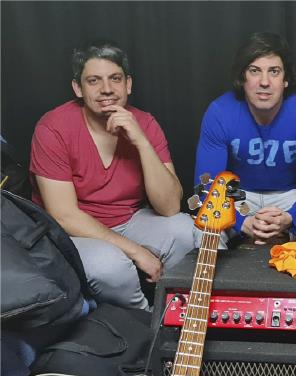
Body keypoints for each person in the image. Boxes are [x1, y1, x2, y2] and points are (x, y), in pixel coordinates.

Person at [29, 41, 196, 310]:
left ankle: (175, 312)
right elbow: (64, 215)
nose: (106, 89)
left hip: (128, 220)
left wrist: (141, 142)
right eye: (94, 80)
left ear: (128, 84)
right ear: (78, 89)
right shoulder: (53, 128)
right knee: (111, 266)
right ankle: (144, 321)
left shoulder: (145, 123)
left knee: (187, 230)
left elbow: (169, 207)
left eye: (115, 79)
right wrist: (136, 251)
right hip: (75, 233)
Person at [194, 32, 296, 245]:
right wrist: (242, 222)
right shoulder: (220, 112)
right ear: (242, 78)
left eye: (274, 71)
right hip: (237, 195)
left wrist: (290, 218)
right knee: (206, 230)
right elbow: (207, 186)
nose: (265, 82)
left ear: (285, 80)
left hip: (290, 195)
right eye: (255, 71)